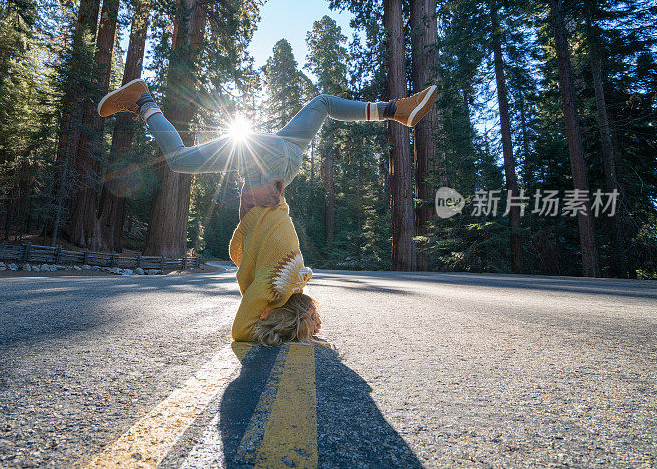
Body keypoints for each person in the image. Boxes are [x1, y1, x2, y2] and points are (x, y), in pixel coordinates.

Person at [98, 79, 437, 345]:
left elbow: (243, 265)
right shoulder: (276, 288)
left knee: (321, 104)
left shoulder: (281, 285)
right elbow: (241, 330)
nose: (319, 323)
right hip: (267, 160)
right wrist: (274, 333)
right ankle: (145, 102)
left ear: (295, 315)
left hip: (284, 154)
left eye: (313, 322)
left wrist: (287, 329)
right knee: (180, 160)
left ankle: (395, 109)